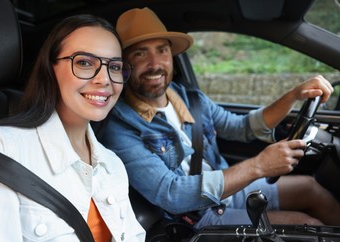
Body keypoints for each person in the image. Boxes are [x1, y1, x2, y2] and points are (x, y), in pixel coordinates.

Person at [96, 7, 340, 230]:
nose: (155, 64)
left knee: (312, 189)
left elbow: (242, 127)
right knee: (309, 225)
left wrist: (293, 96)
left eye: (162, 50)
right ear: (122, 65)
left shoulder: (190, 98)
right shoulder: (120, 126)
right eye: (140, 54)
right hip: (194, 217)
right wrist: (258, 166)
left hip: (228, 191)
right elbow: (171, 194)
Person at [0, 14, 162, 242]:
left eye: (114, 66)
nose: (104, 79)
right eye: (84, 63)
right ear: (50, 69)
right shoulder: (0, 148)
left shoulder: (112, 164)